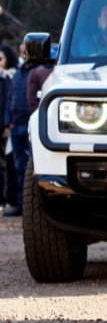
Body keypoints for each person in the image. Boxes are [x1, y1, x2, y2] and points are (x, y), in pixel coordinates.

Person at [3, 45, 34, 216]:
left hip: (30, 125)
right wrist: (9, 121)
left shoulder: (38, 71)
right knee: (19, 166)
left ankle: (31, 206)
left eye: (26, 51)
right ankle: (21, 204)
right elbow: (10, 98)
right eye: (22, 51)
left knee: (33, 168)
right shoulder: (17, 74)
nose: (24, 54)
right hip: (16, 125)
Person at [0, 45, 19, 213]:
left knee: (5, 163)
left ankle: (6, 198)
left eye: (1, 59)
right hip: (6, 123)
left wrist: (7, 124)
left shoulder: (10, 76)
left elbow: (8, 102)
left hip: (6, 126)